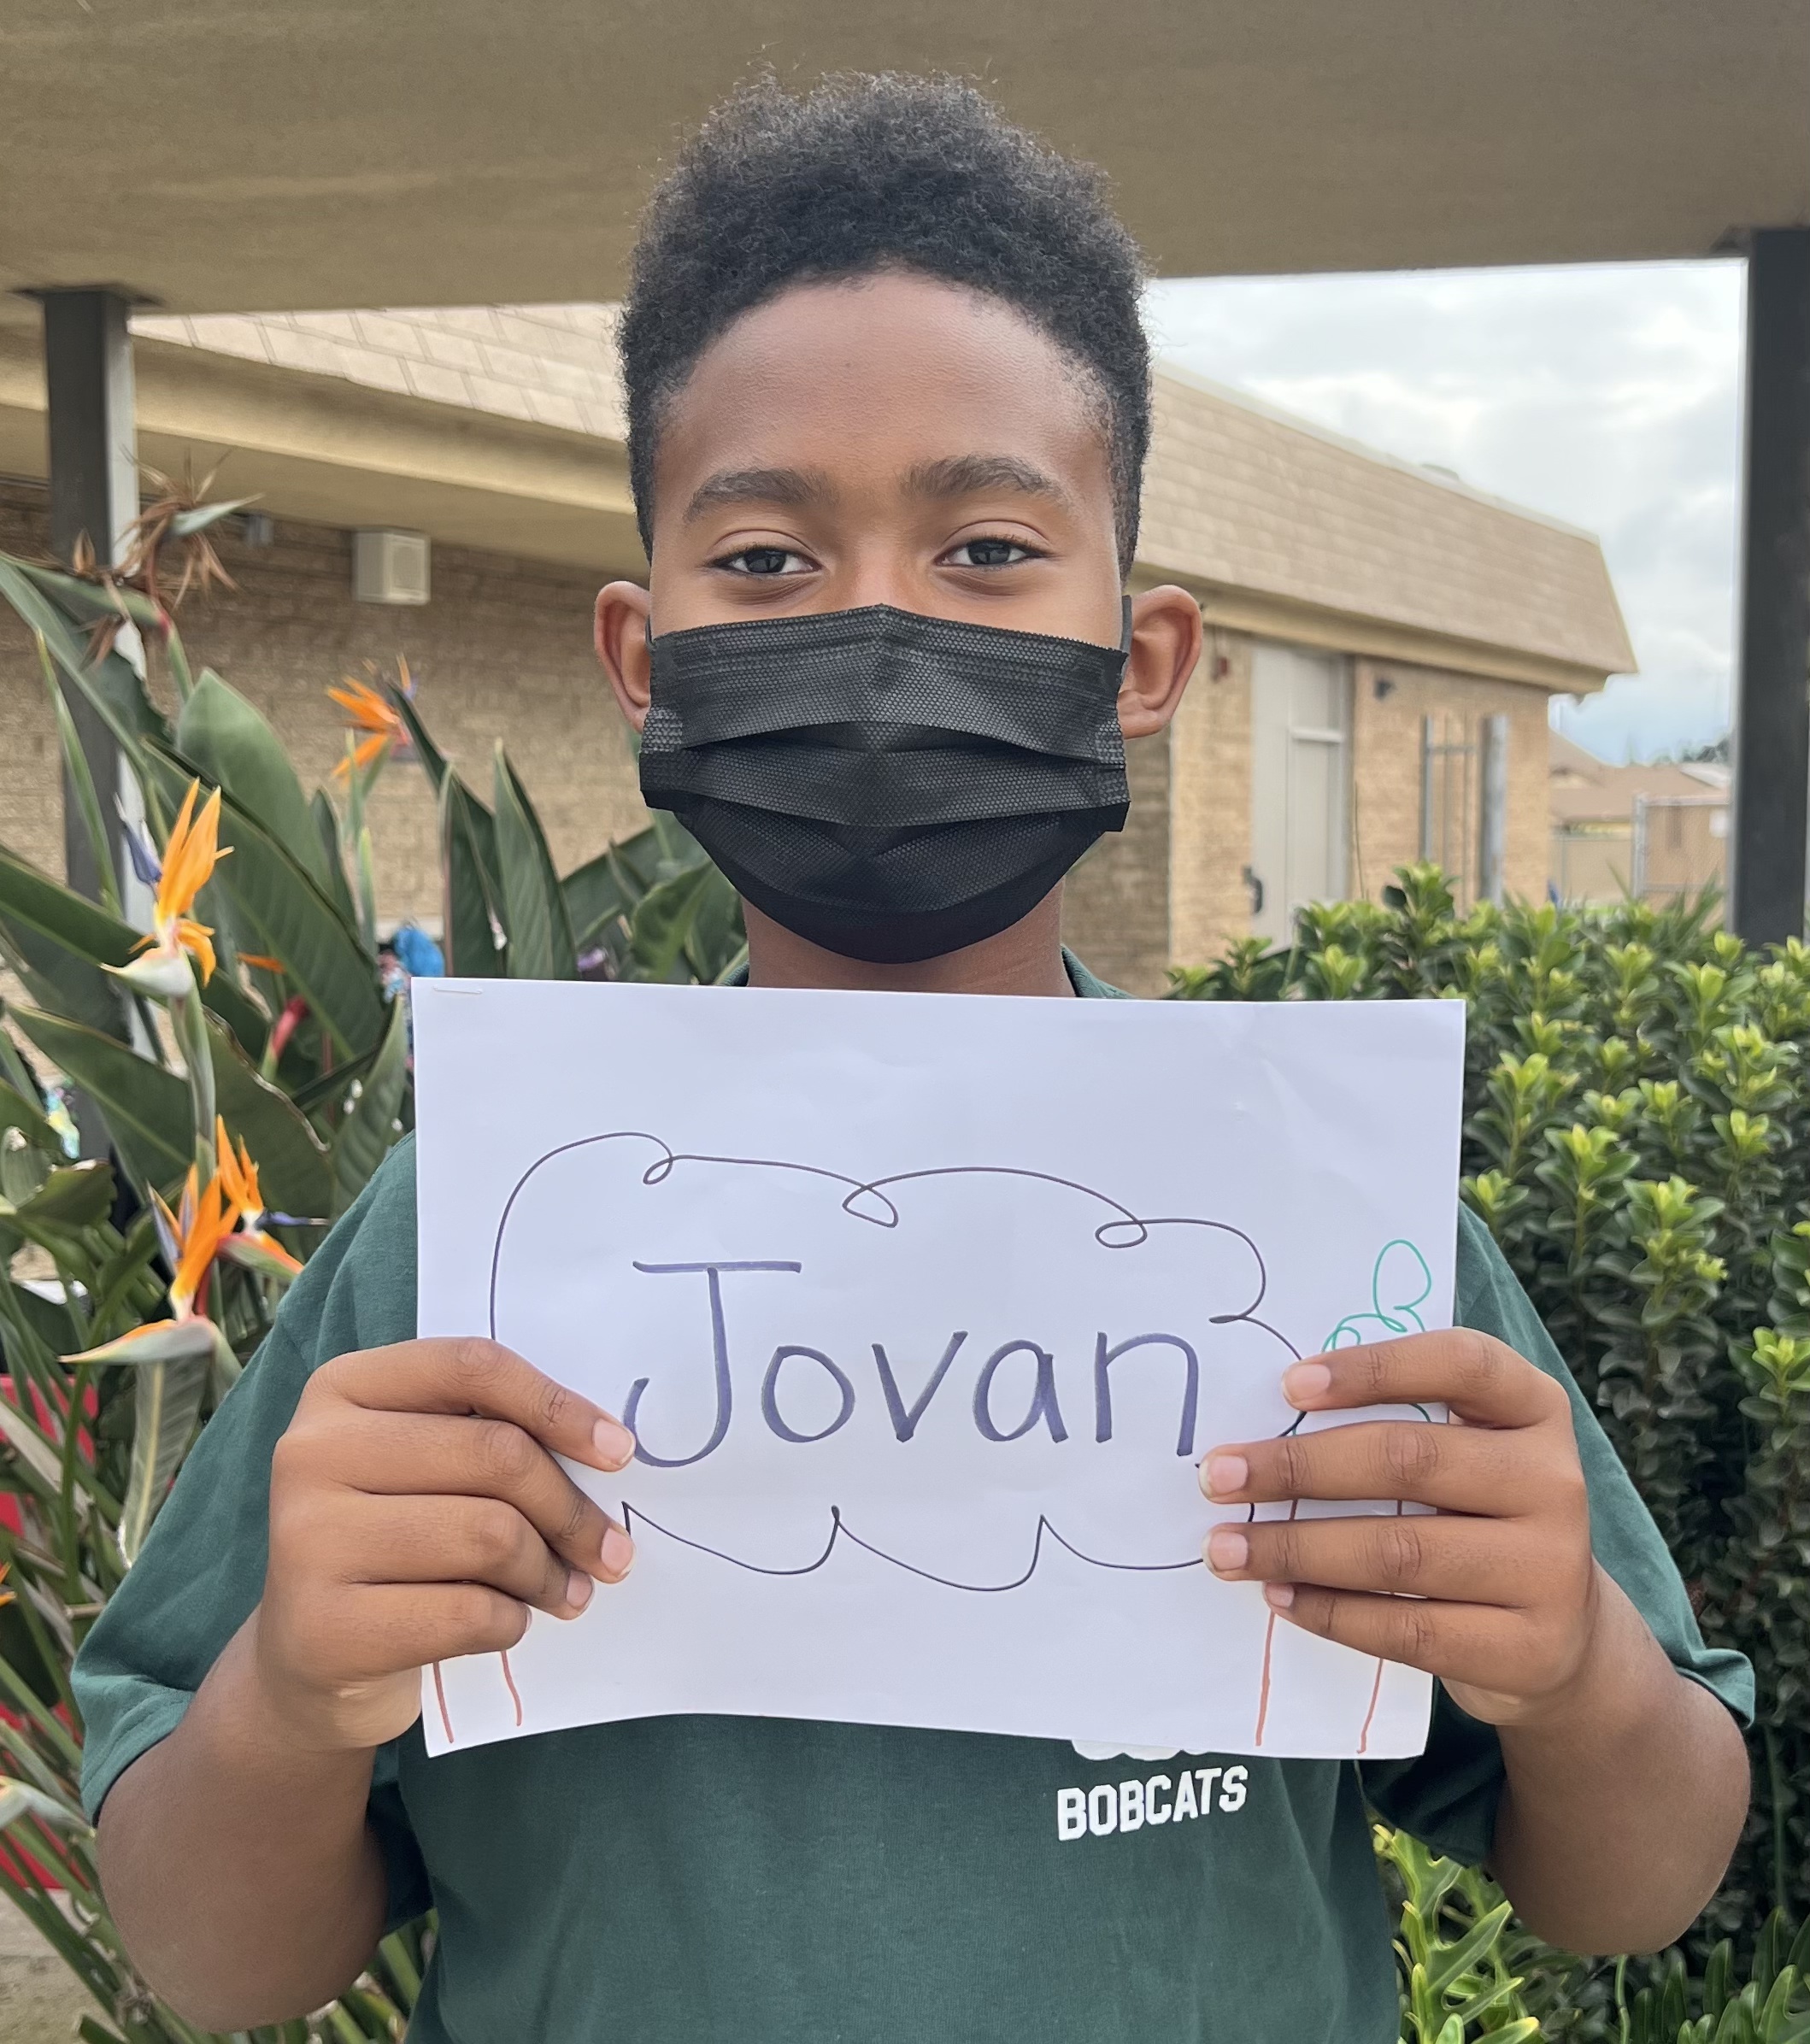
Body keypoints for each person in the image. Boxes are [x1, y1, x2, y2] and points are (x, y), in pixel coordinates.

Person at [76, 73, 1749, 2043]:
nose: (877, 628)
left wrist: (1574, 1666)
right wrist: (294, 1694)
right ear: (645, 662)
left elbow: (1638, 1876)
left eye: (988, 547)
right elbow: (212, 1953)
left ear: (1142, 662)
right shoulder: (467, 1242)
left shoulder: (1318, 1226)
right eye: (767, 560)